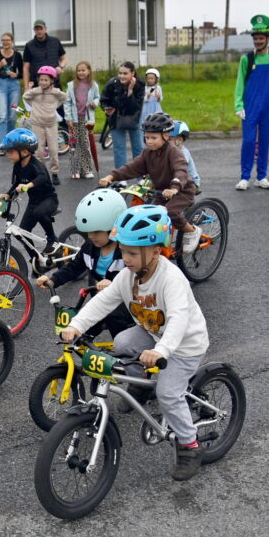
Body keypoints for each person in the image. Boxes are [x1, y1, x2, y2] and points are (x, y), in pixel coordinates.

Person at [59, 205, 210, 481]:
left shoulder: (171, 279)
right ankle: (140, 385)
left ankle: (189, 445)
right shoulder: (128, 277)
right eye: (122, 251)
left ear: (155, 251)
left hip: (183, 345)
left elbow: (178, 319)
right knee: (123, 341)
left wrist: (161, 350)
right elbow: (103, 302)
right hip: (154, 335)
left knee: (168, 394)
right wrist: (76, 325)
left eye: (131, 253)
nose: (125, 258)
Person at [35, 189, 133, 339]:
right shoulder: (89, 247)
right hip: (100, 302)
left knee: (121, 338)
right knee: (79, 333)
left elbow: (137, 278)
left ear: (114, 228)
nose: (91, 236)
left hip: (126, 304)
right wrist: (53, 280)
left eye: (97, 231)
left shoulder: (127, 251)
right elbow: (74, 267)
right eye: (88, 232)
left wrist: (114, 283)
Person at [98, 112, 202, 254]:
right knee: (151, 216)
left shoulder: (174, 152)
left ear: (166, 136)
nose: (150, 141)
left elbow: (180, 172)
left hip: (181, 191)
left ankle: (192, 231)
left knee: (170, 212)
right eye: (147, 137)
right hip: (161, 192)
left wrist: (174, 188)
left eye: (154, 138)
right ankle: (158, 246)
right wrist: (111, 176)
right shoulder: (148, 153)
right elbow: (133, 167)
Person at [233, 14, 269, 190]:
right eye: (255, 38)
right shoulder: (247, 59)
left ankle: (262, 177)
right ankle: (245, 177)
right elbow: (240, 83)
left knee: (264, 141)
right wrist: (238, 105)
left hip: (267, 106)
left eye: (261, 38)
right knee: (249, 142)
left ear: (268, 39)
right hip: (250, 107)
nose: (257, 41)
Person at [0, 128, 60, 253]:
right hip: (34, 202)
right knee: (22, 233)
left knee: (39, 212)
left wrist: (27, 186)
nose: (8, 154)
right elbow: (17, 183)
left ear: (25, 151)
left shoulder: (35, 165)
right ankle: (36, 258)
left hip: (49, 200)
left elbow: (42, 177)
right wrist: (8, 195)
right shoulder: (17, 166)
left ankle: (52, 239)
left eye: (11, 151)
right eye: (7, 151)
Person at [23, 66, 69, 185]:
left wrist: (55, 105)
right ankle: (42, 173)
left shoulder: (55, 92)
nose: (43, 82)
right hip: (37, 124)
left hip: (51, 124)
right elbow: (25, 97)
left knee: (53, 150)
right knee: (39, 151)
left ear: (52, 81)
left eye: (46, 80)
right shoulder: (35, 91)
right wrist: (34, 106)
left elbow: (65, 97)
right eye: (41, 80)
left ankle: (54, 173)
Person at [100, 61, 146, 168]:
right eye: (120, 73)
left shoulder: (140, 84)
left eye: (125, 73)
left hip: (134, 117)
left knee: (138, 147)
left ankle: (140, 174)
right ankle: (121, 175)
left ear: (132, 73)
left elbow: (134, 107)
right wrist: (106, 108)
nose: (121, 76)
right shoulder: (112, 83)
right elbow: (104, 100)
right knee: (119, 148)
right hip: (116, 118)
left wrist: (130, 91)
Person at [64, 61, 101, 179]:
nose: (81, 72)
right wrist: (68, 118)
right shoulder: (71, 85)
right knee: (74, 145)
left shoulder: (93, 85)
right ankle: (75, 170)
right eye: (78, 70)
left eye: (83, 70)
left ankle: (87, 169)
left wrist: (94, 103)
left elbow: (97, 97)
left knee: (85, 144)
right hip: (74, 120)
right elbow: (67, 102)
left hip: (86, 121)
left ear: (89, 71)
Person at [0, 32, 23, 144]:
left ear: (12, 41)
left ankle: (11, 142)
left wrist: (16, 74)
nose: (5, 42)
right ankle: (3, 144)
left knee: (12, 116)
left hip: (14, 87)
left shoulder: (17, 55)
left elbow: (22, 73)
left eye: (8, 40)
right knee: (2, 116)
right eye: (3, 40)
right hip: (0, 87)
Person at [22, 19, 67, 92]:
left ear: (45, 29)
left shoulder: (55, 41)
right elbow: (25, 68)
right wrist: (26, 86)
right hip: (37, 83)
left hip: (54, 82)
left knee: (59, 99)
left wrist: (60, 67)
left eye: (41, 29)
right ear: (34, 30)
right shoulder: (29, 45)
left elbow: (63, 59)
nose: (39, 31)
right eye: (37, 29)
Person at [170, 120, 202, 192]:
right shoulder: (169, 151)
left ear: (179, 140)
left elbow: (177, 169)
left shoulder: (183, 153)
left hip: (188, 184)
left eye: (169, 139)